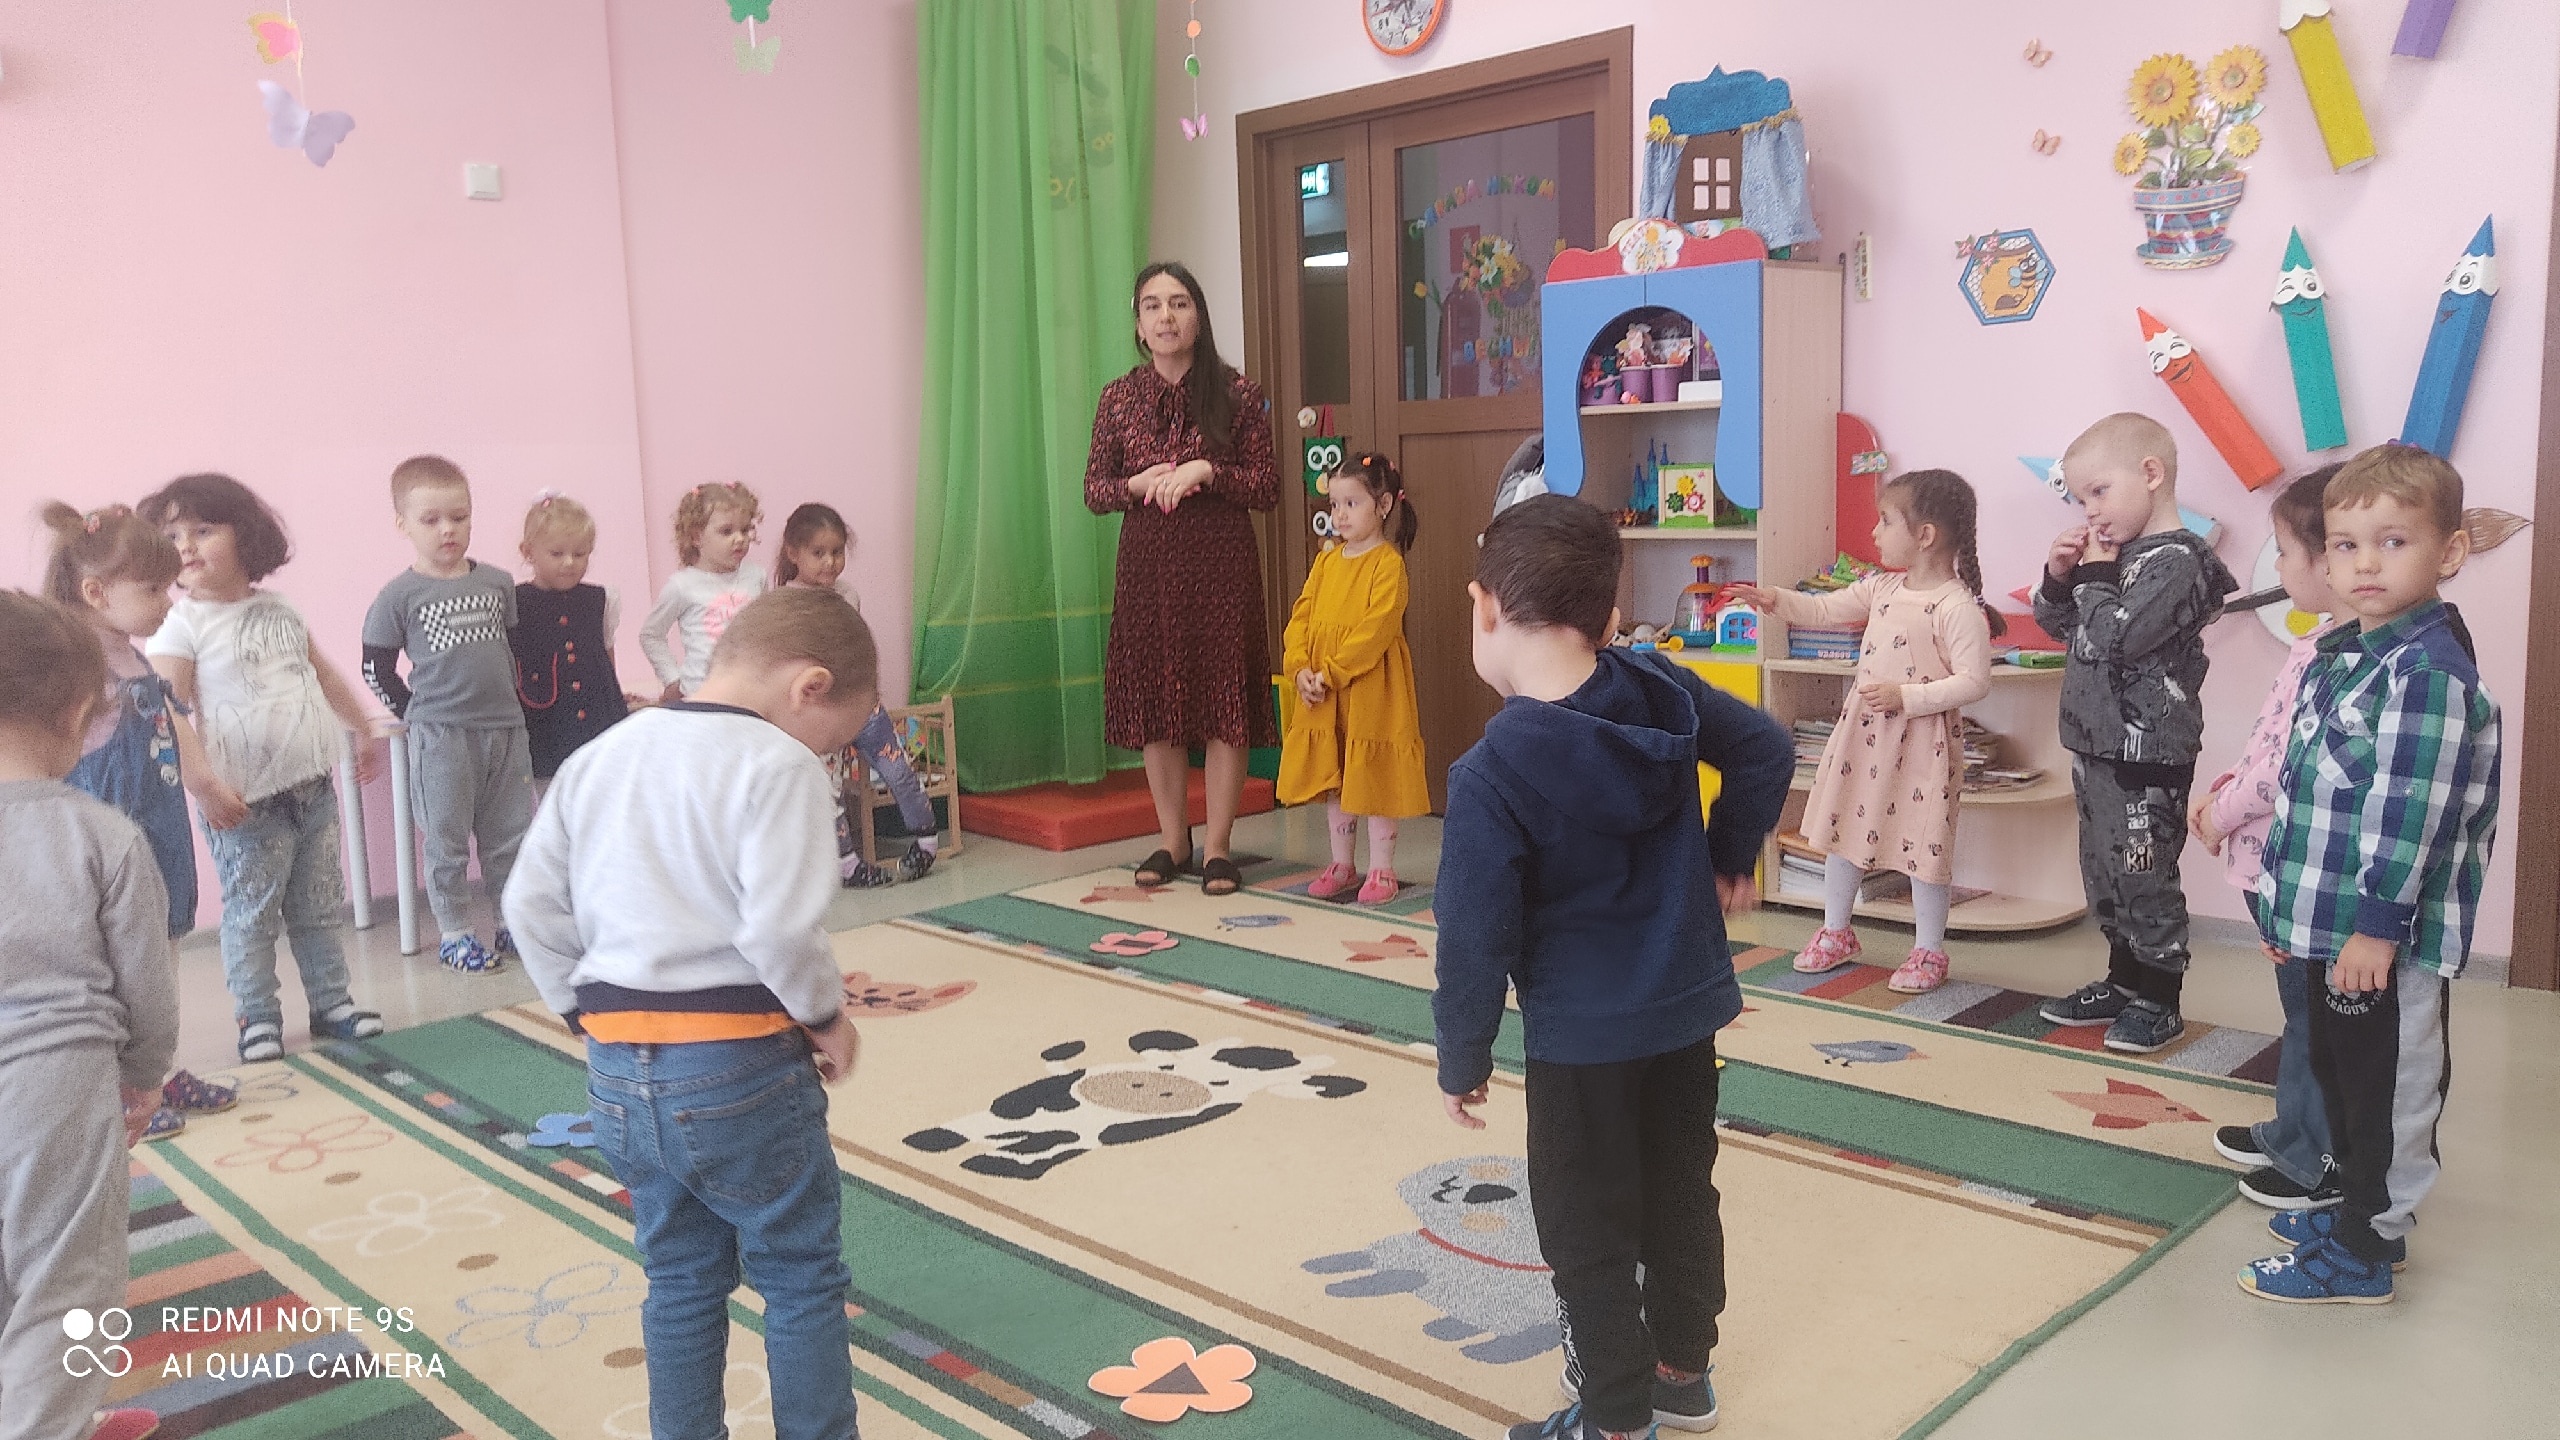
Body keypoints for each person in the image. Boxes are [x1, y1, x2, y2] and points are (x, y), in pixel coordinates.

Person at [1433, 495, 1792, 1440]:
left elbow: (1473, 937)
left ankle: (1616, 1420)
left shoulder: (1488, 775)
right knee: (1681, 1189)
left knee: (1584, 1227)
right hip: (1683, 1011)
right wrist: (1728, 854)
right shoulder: (1658, 688)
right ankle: (1682, 1373)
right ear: (1607, 614)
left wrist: (1462, 1055)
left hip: (1580, 1043)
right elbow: (1764, 747)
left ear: (1484, 608)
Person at [503, 586, 873, 1440]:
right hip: (740, 1069)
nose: (824, 757)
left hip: (616, 1074)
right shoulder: (777, 764)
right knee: (800, 1276)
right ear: (809, 687)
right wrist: (826, 1017)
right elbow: (779, 930)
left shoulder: (604, 752)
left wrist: (582, 1015)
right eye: (834, 742)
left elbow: (528, 905)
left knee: (678, 1277)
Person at [2240, 444, 2500, 1305]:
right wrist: (2285, 917)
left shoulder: (2426, 674)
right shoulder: (2349, 654)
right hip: (2333, 929)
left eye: (2393, 542)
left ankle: (2367, 1248)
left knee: (2387, 1090)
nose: (2364, 565)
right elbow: (2308, 796)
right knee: (2345, 1079)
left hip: (2381, 938)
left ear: (2448, 553)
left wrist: (2376, 929)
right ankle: (2358, 1209)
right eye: (2347, 545)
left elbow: (2409, 815)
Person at [0, 592, 181, 1440]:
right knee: (68, 1287)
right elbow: (147, 982)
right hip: (54, 1087)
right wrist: (143, 1076)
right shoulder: (102, 835)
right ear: (78, 713)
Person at [143, 473, 387, 1064]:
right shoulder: (183, 626)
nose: (186, 546)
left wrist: (363, 726)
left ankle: (331, 1004)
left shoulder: (280, 609)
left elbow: (322, 673)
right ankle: (257, 1016)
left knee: (319, 905)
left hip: (312, 788)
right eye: (173, 536)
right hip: (243, 803)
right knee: (252, 916)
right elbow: (168, 714)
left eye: (204, 530)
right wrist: (203, 786)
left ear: (245, 534)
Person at [1729, 469, 2001, 993]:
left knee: (1924, 846)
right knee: (1844, 831)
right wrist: (1774, 599)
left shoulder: (1956, 607)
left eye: (1885, 521)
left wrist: (1908, 697)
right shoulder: (1882, 588)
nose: (1875, 533)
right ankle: (1836, 931)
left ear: (1925, 535)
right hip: (1865, 738)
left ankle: (1929, 950)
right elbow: (1824, 609)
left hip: (1922, 746)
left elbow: (1975, 682)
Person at [2031, 414, 2236, 1053]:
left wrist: (2093, 578)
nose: (2090, 510)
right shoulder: (2115, 558)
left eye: (2099, 491)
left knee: (2143, 872)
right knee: (2105, 873)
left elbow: (2117, 637)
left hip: (2146, 756)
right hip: (2095, 746)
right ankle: (2123, 983)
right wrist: (2059, 577)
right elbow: (2065, 629)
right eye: (2081, 499)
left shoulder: (2179, 562)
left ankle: (2160, 999)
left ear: (2151, 474)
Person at [44, 501, 245, 1140]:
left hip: (157, 833)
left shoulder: (136, 659)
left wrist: (206, 784)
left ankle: (157, 1069)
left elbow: (173, 722)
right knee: (117, 965)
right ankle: (118, 1086)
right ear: (96, 592)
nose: (168, 600)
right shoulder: (74, 669)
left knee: (159, 958)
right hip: (106, 840)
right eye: (152, 589)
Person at [1084, 261, 1279, 897]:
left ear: (1198, 317)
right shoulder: (1118, 398)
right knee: (1156, 705)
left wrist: (1207, 471)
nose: (1166, 316)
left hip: (1221, 567)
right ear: (1139, 326)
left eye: (1179, 303)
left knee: (1224, 701)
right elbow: (1095, 489)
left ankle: (1218, 846)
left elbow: (1268, 486)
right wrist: (1135, 485)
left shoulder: (1239, 393)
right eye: (1152, 305)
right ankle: (1174, 839)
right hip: (1147, 570)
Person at [2189, 467, 2346, 1210]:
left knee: (2315, 1017)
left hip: (2293, 863)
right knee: (2300, 1010)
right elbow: (2269, 744)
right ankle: (2293, 1128)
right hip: (2271, 862)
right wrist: (2226, 788)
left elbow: (2290, 767)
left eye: (2284, 551)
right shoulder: (2318, 643)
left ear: (2329, 561)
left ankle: (2315, 1158)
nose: (2277, 568)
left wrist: (2221, 814)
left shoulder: (2336, 658)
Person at [361, 455, 532, 975]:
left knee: (510, 837)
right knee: (447, 840)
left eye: (459, 516)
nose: (447, 529)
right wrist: (416, 714)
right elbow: (375, 667)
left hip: (505, 729)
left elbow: (514, 651)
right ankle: (455, 933)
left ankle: (510, 921)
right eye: (431, 519)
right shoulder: (399, 596)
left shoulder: (498, 583)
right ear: (403, 524)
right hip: (441, 737)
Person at [1276, 452, 1429, 904]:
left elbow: (1376, 629)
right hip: (1324, 689)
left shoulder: (1388, 564)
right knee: (1336, 771)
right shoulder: (1326, 562)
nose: (1339, 515)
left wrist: (1332, 671)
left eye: (1351, 504)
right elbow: (1301, 616)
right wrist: (1300, 667)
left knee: (1372, 773)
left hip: (1369, 688)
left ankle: (1382, 869)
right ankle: (1342, 863)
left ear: (1383, 505)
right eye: (1334, 505)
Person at [775, 503, 938, 887]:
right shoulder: (784, 603)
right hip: (821, 715)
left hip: (861, 705)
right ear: (793, 553)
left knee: (898, 770)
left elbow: (856, 648)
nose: (830, 562)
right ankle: (847, 864)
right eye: (818, 553)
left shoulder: (847, 595)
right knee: (828, 787)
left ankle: (926, 841)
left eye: (837, 552)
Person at [513, 491, 632, 793]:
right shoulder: (514, 603)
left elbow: (605, 651)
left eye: (580, 555)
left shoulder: (600, 599)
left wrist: (614, 694)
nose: (569, 563)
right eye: (557, 554)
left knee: (602, 791)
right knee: (551, 795)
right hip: (545, 722)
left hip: (597, 717)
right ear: (528, 552)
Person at [638, 482, 767, 701]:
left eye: (745, 530)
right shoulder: (683, 585)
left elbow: (766, 629)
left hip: (750, 689)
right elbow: (651, 634)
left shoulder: (756, 576)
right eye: (726, 531)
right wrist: (672, 678)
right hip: (701, 692)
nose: (740, 539)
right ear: (696, 536)